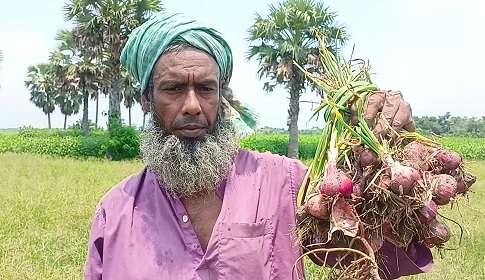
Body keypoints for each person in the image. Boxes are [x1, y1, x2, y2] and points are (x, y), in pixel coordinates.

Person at [84, 11, 433, 280]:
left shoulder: (289, 184)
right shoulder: (116, 214)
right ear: (147, 99)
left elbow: (384, 253)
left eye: (206, 89)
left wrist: (394, 152)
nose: (192, 105)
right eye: (173, 89)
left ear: (222, 97)